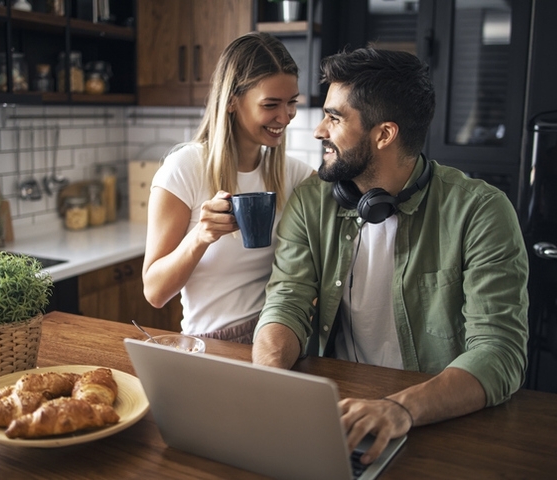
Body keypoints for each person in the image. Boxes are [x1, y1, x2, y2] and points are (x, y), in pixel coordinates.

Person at [252, 48, 529, 465]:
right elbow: (286, 301)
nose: (317, 130)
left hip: (436, 416)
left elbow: (499, 351)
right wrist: (268, 380)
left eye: (335, 117)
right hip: (338, 411)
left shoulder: (481, 211)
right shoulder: (313, 201)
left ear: (384, 135)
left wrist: (401, 408)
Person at [142, 32, 314, 343]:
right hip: (210, 342)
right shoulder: (185, 169)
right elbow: (155, 292)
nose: (285, 116)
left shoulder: (295, 174)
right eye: (271, 104)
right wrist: (200, 237)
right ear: (232, 101)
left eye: (291, 103)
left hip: (277, 336)